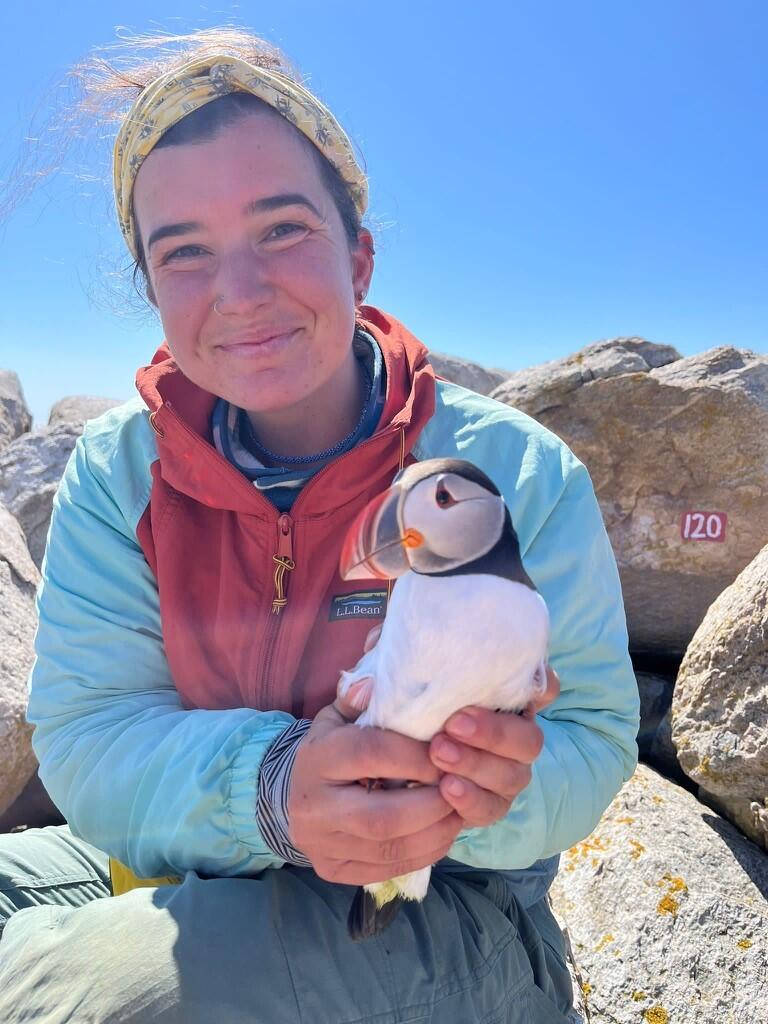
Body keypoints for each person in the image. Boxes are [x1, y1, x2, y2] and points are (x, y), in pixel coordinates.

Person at [0, 28, 639, 1023]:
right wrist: (272, 787)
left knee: (123, 997)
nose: (241, 293)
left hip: (444, 904)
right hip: (206, 862)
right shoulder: (119, 473)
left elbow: (592, 737)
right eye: (185, 253)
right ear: (152, 289)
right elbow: (87, 735)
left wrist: (471, 792)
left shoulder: (505, 472)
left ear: (361, 255)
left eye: (283, 229)